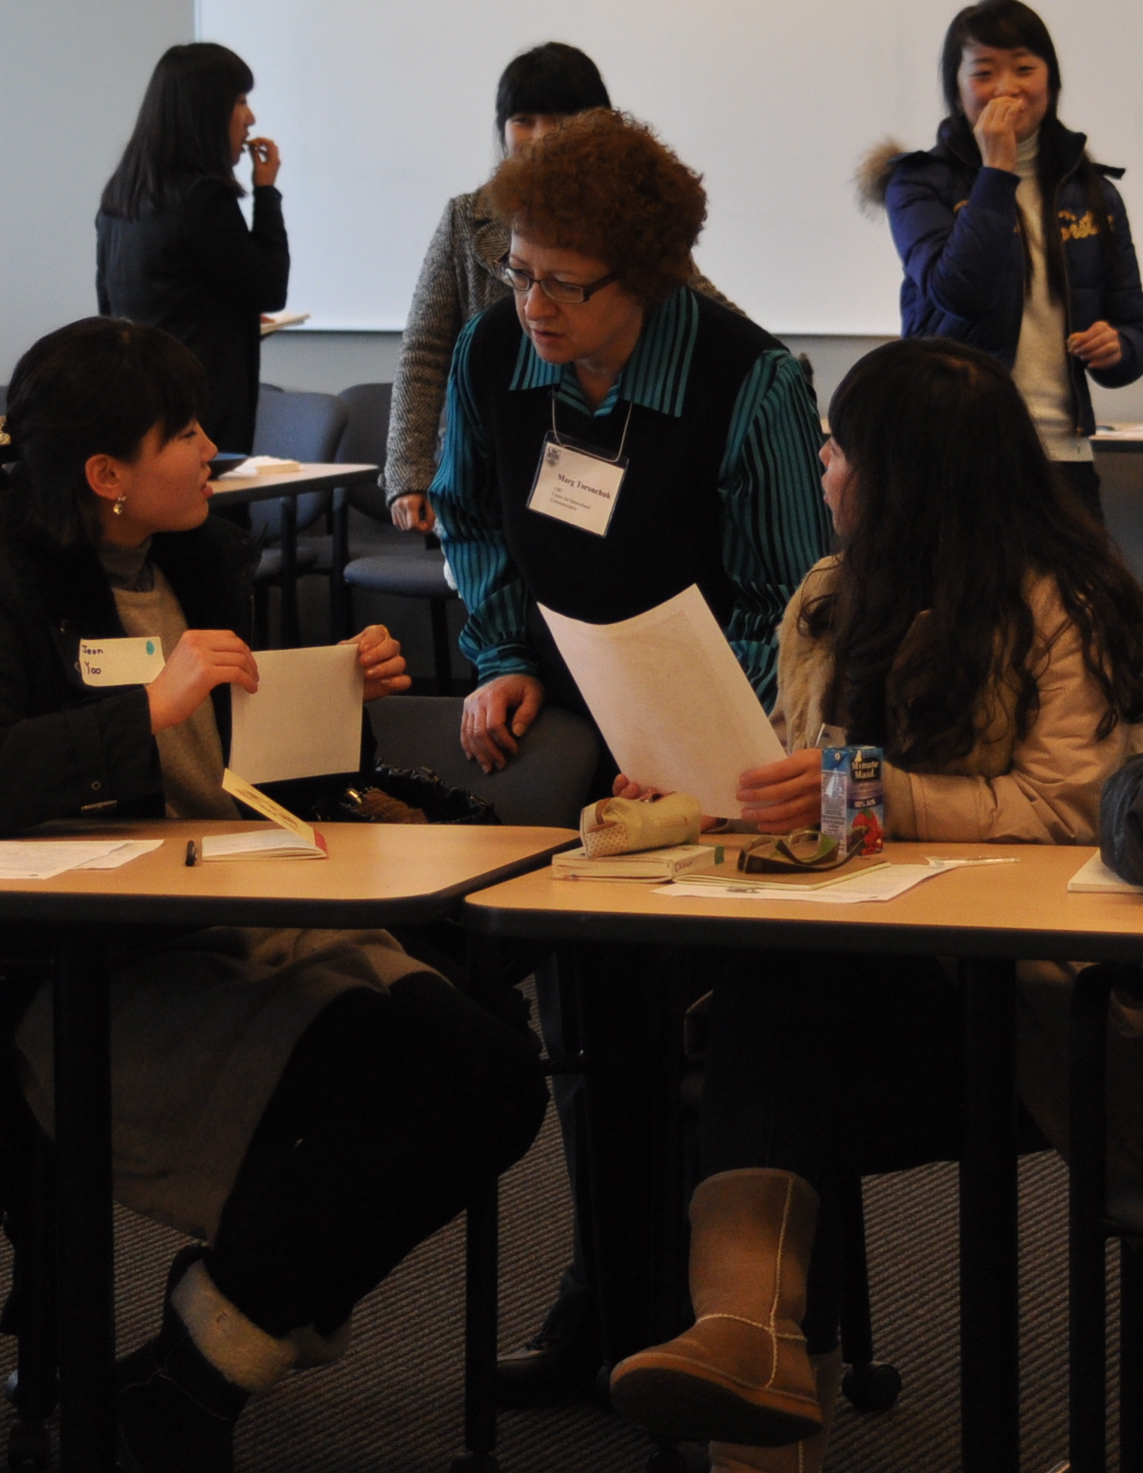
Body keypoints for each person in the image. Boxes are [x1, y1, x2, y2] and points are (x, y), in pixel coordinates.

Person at [0, 317, 543, 1473]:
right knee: (428, 1078)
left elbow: (252, 784)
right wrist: (143, 710)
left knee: (498, 1073)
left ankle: (201, 1354)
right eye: (185, 432)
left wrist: (336, 699)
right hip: (105, 972)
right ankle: (202, 1370)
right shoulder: (1, 590)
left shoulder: (199, 565)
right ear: (106, 475)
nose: (213, 449)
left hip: (252, 927)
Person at [605, 337, 1143, 1468]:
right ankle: (750, 1348)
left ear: (900, 475)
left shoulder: (1069, 606)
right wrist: (701, 793)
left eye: (838, 449)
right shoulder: (831, 595)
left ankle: (749, 1353)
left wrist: (863, 795)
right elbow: (800, 779)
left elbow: (1075, 813)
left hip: (1025, 1013)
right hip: (858, 991)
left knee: (763, 1043)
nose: (822, 467)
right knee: (761, 1014)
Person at [426, 109, 829, 1400]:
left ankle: (725, 1315)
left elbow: (787, 600)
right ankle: (608, 1301)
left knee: (688, 1012)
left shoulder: (748, 378)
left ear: (643, 280)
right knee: (581, 997)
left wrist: (687, 737)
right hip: (570, 703)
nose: (534, 305)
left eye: (565, 283)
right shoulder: (495, 353)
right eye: (519, 272)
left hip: (727, 728)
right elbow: (472, 519)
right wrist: (502, 654)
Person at [384, 43, 740, 534]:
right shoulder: (466, 218)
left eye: (561, 119)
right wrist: (409, 473)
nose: (540, 136)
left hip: (608, 457)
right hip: (492, 461)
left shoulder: (627, 224)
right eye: (522, 120)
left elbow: (703, 309)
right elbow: (424, 351)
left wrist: (773, 375)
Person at [873, 0, 1143, 517]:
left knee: (1075, 575)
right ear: (956, 88)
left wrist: (1119, 347)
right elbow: (961, 292)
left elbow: (1134, 329)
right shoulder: (917, 183)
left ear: (1051, 79)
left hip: (1061, 453)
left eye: (1024, 69)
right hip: (952, 451)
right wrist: (996, 171)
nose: (1006, 88)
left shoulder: (1092, 191)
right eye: (983, 72)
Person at [95, 43, 285, 455]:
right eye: (240, 101)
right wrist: (267, 192)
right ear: (206, 110)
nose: (250, 119)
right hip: (201, 414)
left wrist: (227, 313)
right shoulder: (203, 196)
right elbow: (270, 288)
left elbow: (114, 306)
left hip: (141, 408)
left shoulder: (121, 198)